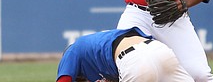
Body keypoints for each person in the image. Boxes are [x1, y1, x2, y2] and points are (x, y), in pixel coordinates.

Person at [56, 27, 193, 82]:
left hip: (134, 60)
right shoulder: (97, 49)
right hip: (160, 51)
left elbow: (64, 79)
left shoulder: (72, 50)